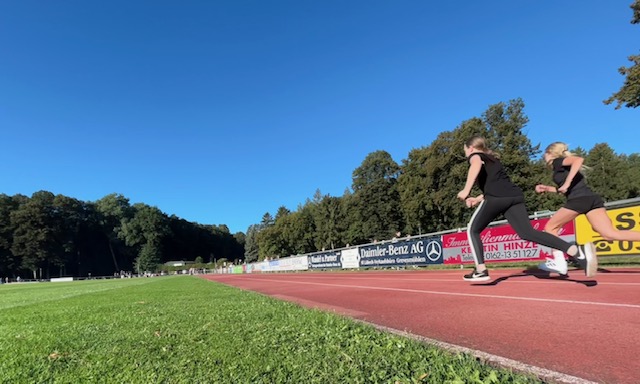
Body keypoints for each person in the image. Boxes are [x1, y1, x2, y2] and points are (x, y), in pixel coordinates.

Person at [457, 136, 596, 282]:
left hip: (497, 198)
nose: (467, 154)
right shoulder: (493, 159)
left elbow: (475, 163)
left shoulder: (476, 156)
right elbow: (496, 185)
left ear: (470, 148)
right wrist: (478, 199)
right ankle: (577, 252)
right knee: (527, 233)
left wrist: (466, 190)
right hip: (514, 197)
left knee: (473, 229)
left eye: (466, 151)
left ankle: (480, 270)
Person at [535, 142, 640, 276]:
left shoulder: (557, 161)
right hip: (591, 199)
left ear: (550, 153)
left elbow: (578, 160)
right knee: (610, 234)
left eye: (544, 153)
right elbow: (567, 189)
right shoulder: (561, 167)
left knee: (550, 228)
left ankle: (559, 262)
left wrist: (567, 183)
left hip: (579, 200)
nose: (543, 156)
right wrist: (548, 188)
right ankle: (560, 262)